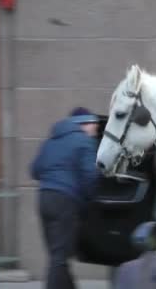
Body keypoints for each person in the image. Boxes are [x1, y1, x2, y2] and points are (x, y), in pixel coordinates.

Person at [30, 107, 101, 289]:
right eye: (93, 124)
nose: (96, 128)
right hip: (65, 201)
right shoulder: (84, 142)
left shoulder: (50, 142)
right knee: (59, 257)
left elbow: (35, 171)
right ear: (82, 124)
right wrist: (89, 202)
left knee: (58, 255)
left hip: (44, 199)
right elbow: (90, 177)